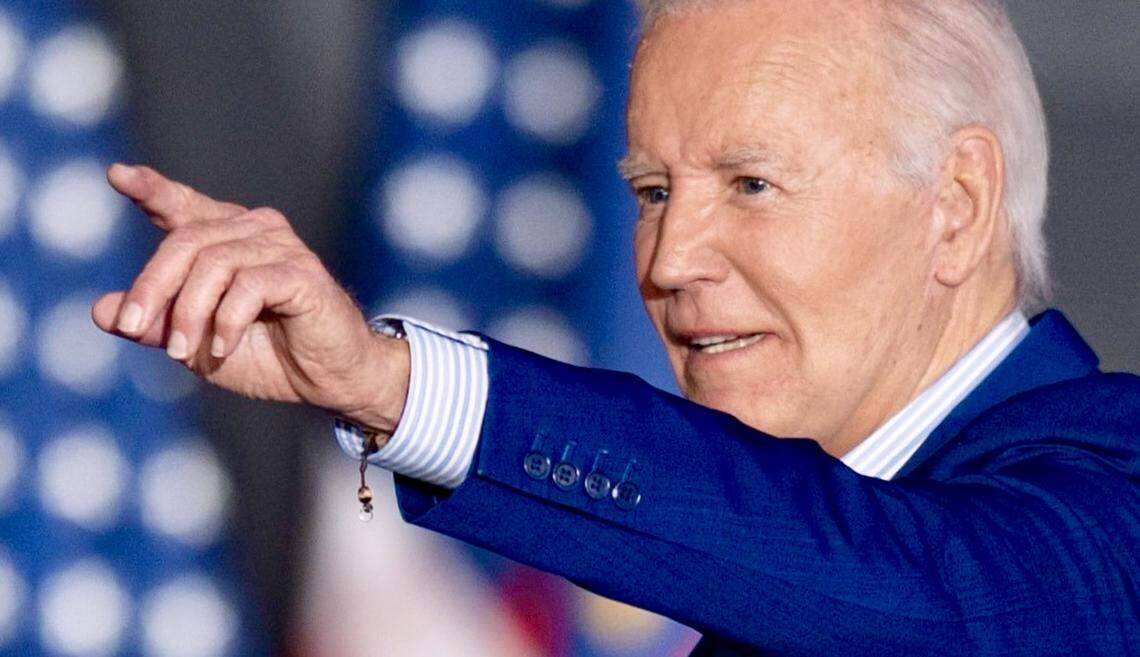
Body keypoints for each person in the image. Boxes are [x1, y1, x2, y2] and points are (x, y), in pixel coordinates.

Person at [93, 0, 1140, 654]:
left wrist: (395, 384)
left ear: (954, 203)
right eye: (649, 190)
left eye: (753, 183)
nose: (670, 260)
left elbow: (911, 590)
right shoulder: (770, 596)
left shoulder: (1111, 497)